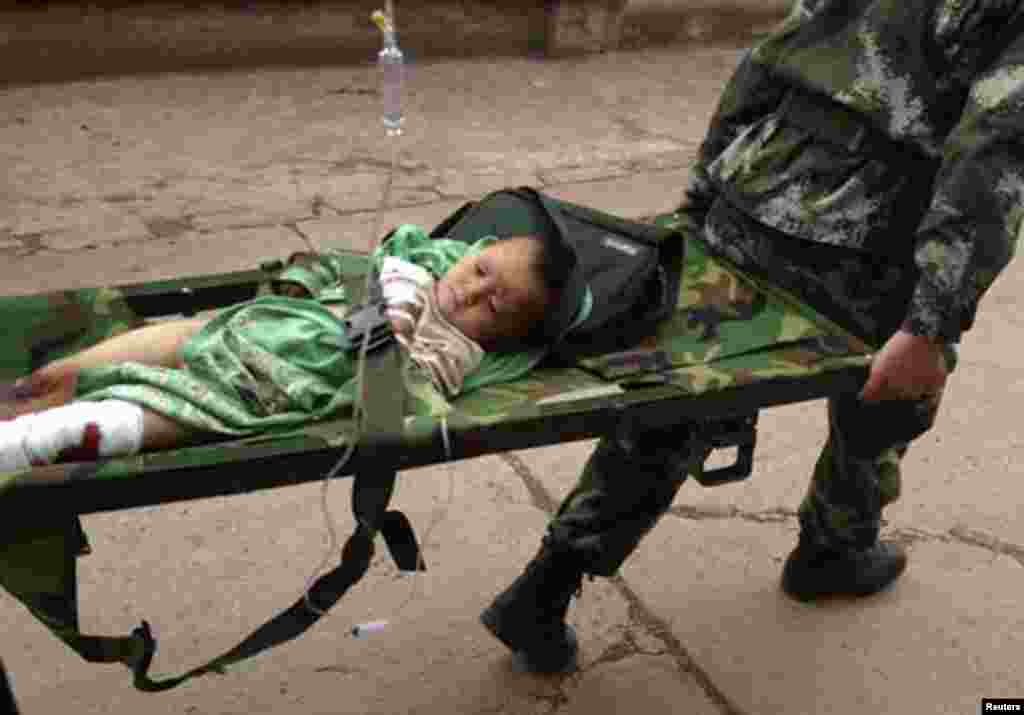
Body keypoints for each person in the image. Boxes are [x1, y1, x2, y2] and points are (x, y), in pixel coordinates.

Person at [480, 0, 1022, 674]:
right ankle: (836, 545)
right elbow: (995, 145)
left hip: (753, 187)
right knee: (893, 390)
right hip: (869, 237)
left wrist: (704, 188)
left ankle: (547, 583)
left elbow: (769, 56)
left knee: (681, 395)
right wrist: (933, 322)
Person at [0, 225, 578, 470]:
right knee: (173, 341)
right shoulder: (432, 260)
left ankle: (27, 440)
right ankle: (38, 385)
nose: (470, 292)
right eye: (479, 269)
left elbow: (395, 382)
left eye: (494, 307)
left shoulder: (455, 353)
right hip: (256, 327)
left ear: (503, 335)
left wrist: (391, 323)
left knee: (157, 412)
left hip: (271, 385)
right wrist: (394, 281)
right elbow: (399, 250)